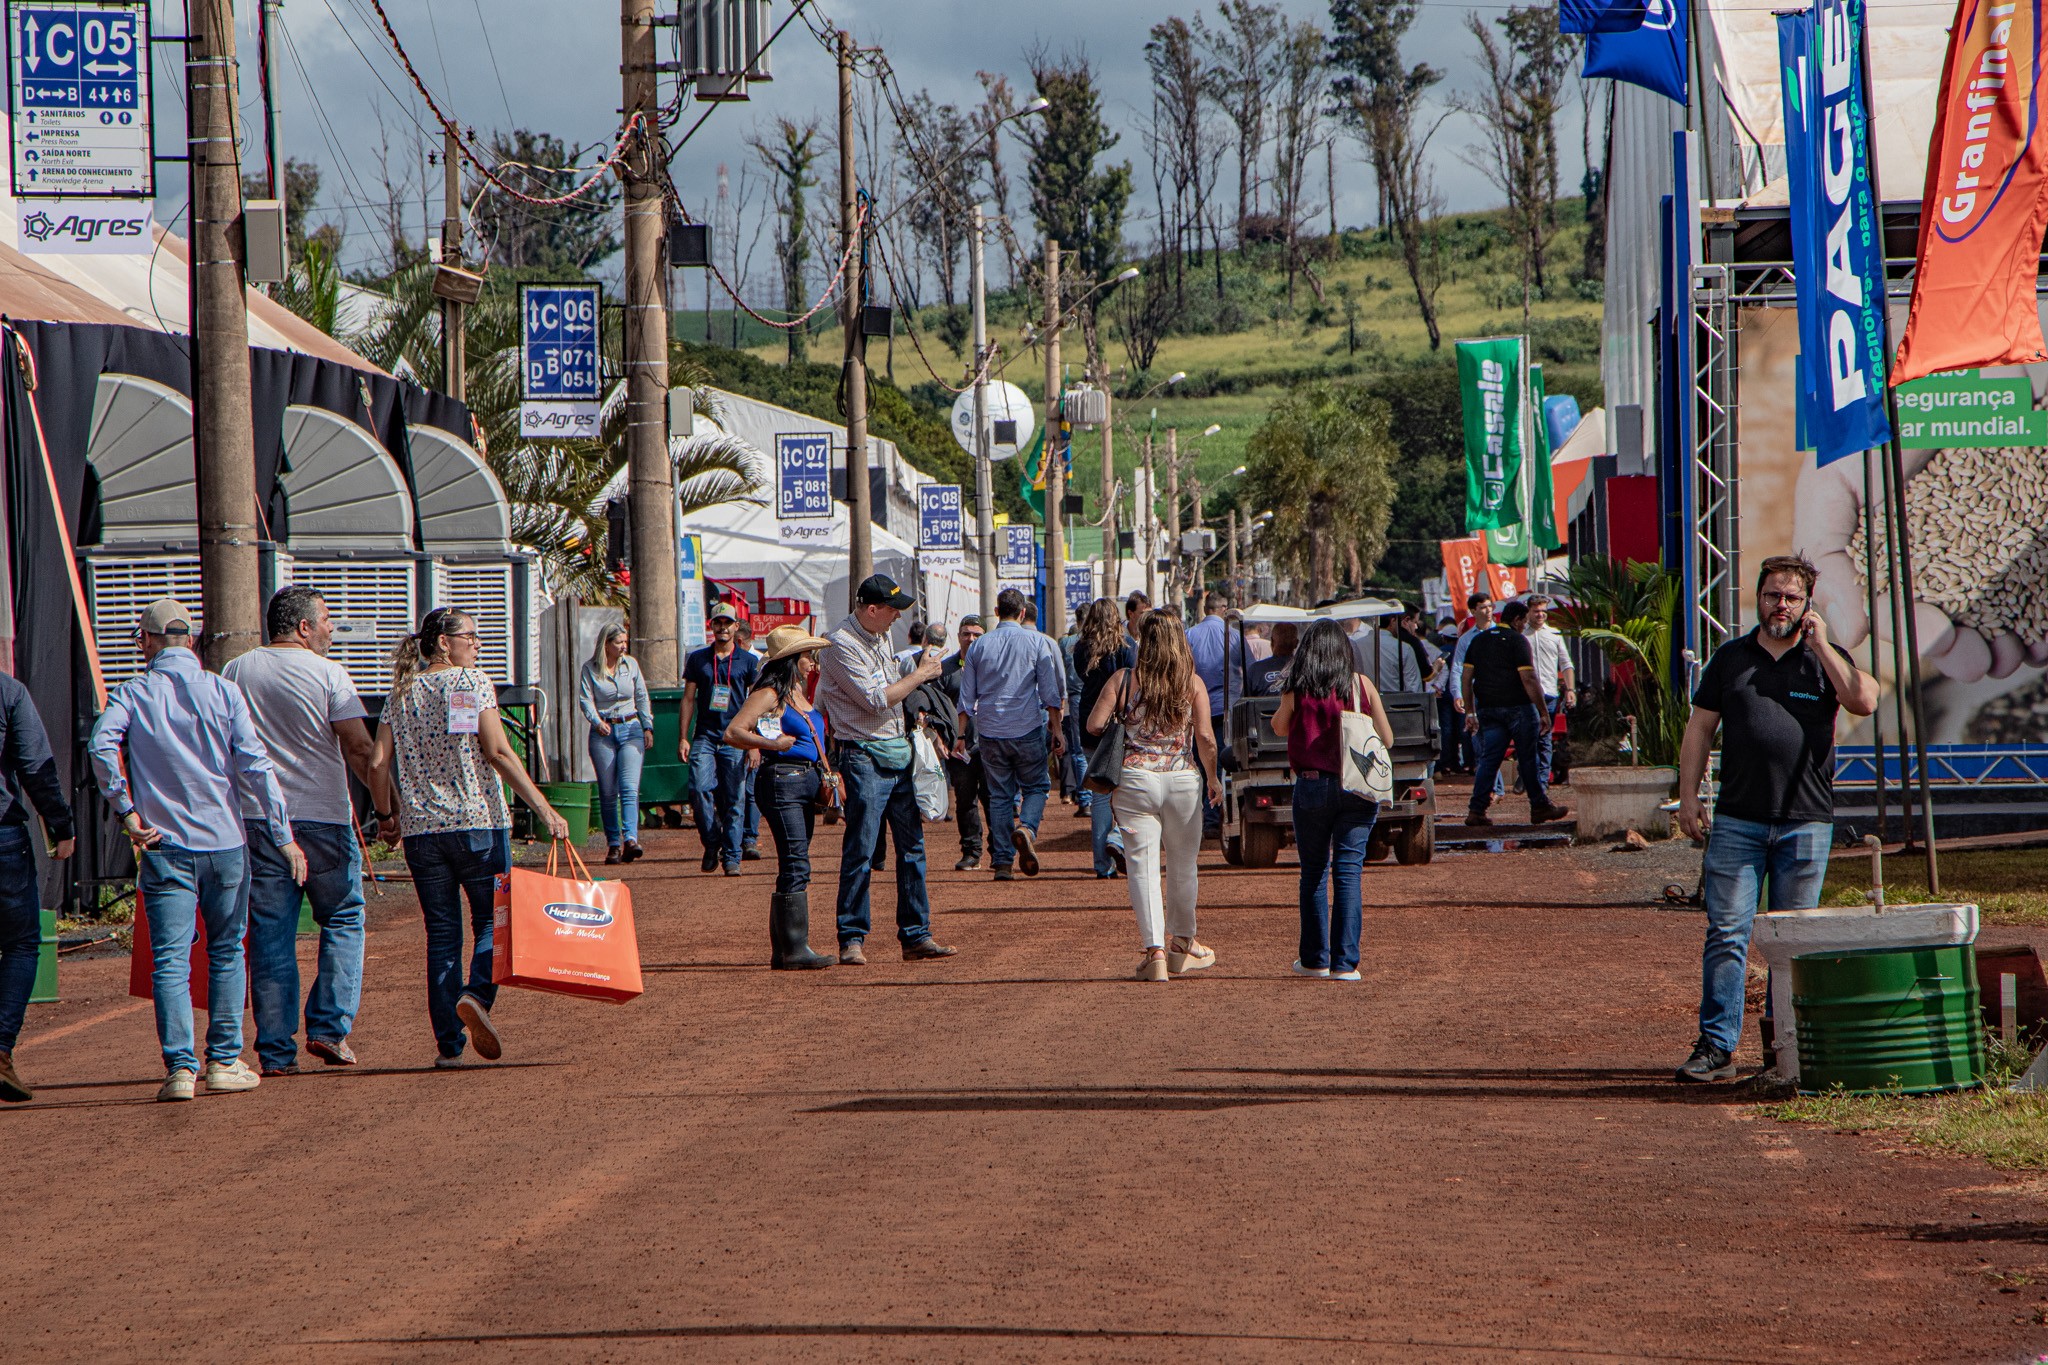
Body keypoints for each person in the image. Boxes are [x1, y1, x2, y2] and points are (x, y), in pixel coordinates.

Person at [1673, 555, 1878, 1084]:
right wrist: (1689, 796)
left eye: (1791, 597)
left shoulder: (1826, 658)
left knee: (1793, 939)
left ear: (1807, 604)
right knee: (1727, 933)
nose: (1779, 605)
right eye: (1771, 595)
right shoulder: (1731, 659)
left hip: (1805, 823)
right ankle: (1716, 1047)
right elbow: (1698, 731)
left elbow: (1864, 700)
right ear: (1758, 598)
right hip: (1739, 821)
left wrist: (1824, 646)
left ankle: (1781, 1046)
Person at [89, 599, 304, 1102]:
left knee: (170, 960)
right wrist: (284, 834)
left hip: (164, 844)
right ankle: (225, 1060)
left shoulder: (134, 692)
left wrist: (128, 812)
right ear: (191, 638)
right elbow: (256, 766)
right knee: (227, 950)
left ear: (146, 641)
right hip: (226, 842)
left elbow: (102, 747)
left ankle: (180, 1069)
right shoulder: (224, 691)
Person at [369, 607, 571, 1068]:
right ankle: (477, 994)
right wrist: (544, 808)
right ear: (444, 642)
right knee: (492, 922)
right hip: (478, 823)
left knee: (441, 934)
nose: (477, 645)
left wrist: (385, 816)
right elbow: (498, 751)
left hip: (422, 833)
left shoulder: (400, 691)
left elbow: (378, 763)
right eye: (470, 636)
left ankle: (449, 1045)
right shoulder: (471, 681)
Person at [222, 586, 380, 1077]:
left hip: (259, 821)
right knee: (343, 917)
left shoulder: (236, 670)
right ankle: (329, 1028)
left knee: (271, 934)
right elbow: (358, 747)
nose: (333, 628)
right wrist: (386, 807)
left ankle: (274, 1050)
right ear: (304, 627)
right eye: (328, 619)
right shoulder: (329, 673)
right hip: (325, 820)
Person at [816, 574, 956, 963]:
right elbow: (877, 699)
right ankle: (851, 937)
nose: (897, 616)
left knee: (912, 846)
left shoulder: (877, 636)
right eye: (892, 610)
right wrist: (921, 675)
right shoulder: (839, 644)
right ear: (871, 609)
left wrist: (915, 672)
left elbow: (891, 688)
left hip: (895, 750)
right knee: (861, 847)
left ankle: (915, 934)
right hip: (862, 754)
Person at [1087, 611, 1220, 981]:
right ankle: (1183, 942)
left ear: (1143, 641)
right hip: (1182, 780)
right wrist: (1213, 779)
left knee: (1143, 867)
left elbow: (1094, 725)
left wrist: (1124, 719)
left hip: (1134, 780)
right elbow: (1206, 738)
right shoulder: (1192, 683)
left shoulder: (1125, 678)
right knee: (1183, 863)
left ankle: (1155, 952)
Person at [1272, 620, 1394, 981]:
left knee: (1313, 873)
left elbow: (1279, 728)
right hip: (1357, 787)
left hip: (1311, 786)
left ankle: (1314, 960)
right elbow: (1386, 737)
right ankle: (1345, 964)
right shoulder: (1361, 686)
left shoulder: (1297, 689)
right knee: (1348, 871)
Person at [725, 625, 839, 970]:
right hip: (782, 780)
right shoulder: (771, 692)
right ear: (791, 659)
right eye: (806, 655)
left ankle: (788, 948)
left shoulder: (796, 692)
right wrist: (773, 744)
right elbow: (734, 731)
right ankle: (793, 948)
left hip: (801, 780)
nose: (811, 662)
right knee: (795, 861)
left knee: (796, 860)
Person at [0, 673, 75, 1103]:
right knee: (23, 945)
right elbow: (35, 767)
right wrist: (60, 825)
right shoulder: (8, 693)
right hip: (3, 836)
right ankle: (0, 1050)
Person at [959, 588, 1065, 881]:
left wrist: (960, 735)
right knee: (1036, 787)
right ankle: (1027, 827)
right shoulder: (1037, 641)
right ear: (1022, 613)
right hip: (1027, 728)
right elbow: (1050, 694)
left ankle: (1003, 861)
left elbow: (966, 697)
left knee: (1000, 796)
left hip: (990, 731)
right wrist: (1057, 729)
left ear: (996, 612)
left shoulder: (979, 646)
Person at [1462, 600, 1570, 826]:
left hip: (1488, 709)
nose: (1524, 626)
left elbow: (1466, 678)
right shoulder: (1518, 641)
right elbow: (1528, 679)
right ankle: (1539, 806)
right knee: (1528, 757)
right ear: (1518, 620)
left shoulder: (1478, 640)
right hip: (1518, 708)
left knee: (1490, 760)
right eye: (1523, 621)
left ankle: (1476, 809)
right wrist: (1543, 710)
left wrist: (1470, 711)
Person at [680, 602, 761, 875]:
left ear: (736, 627)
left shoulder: (750, 662)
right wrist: (683, 737)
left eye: (728, 623)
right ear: (711, 626)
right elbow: (688, 699)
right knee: (698, 789)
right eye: (718, 623)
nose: (722, 628)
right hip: (705, 736)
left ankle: (732, 857)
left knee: (734, 799)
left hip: (737, 738)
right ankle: (712, 841)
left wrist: (753, 742)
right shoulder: (698, 659)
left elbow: (757, 703)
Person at [579, 623, 654, 865]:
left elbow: (641, 695)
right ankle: (613, 844)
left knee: (629, 788)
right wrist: (596, 721)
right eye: (618, 642)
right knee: (608, 792)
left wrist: (647, 725)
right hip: (604, 732)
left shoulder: (630, 664)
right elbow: (586, 700)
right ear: (606, 644)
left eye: (625, 641)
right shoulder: (590, 669)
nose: (623, 646)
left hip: (631, 727)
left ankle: (630, 840)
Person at [1073, 598, 1131, 878]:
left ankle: (1101, 865)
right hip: (1118, 722)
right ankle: (1117, 839)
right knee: (1128, 788)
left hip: (1088, 718)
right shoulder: (1125, 647)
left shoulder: (1081, 647)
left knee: (1098, 793)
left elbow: (1080, 677)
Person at [1184, 591, 1242, 837]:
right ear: (1224, 608)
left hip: (1198, 706)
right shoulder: (1235, 637)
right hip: (1227, 707)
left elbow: (1185, 670)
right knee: (1227, 760)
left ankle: (1207, 817)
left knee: (1201, 761)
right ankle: (1227, 813)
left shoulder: (1190, 635)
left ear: (1205, 609)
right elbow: (1246, 670)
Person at [938, 616, 992, 870]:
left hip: (992, 745)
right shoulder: (945, 670)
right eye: (966, 634)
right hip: (959, 749)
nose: (971, 639)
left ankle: (1000, 851)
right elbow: (934, 708)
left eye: (977, 635)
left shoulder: (993, 666)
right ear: (958, 636)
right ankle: (971, 852)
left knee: (994, 799)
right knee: (965, 800)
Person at [1524, 595, 1574, 787]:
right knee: (1529, 737)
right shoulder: (1521, 636)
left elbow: (1566, 663)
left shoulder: (1554, 634)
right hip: (1526, 695)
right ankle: (1530, 775)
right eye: (1536, 611)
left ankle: (1542, 780)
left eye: (1544, 611)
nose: (1540, 615)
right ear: (1528, 611)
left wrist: (1570, 690)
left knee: (1544, 738)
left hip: (1549, 695)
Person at [1247, 622, 1299, 696]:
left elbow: (1245, 702)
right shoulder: (1305, 669)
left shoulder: (1256, 669)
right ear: (1296, 643)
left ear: (1272, 642)